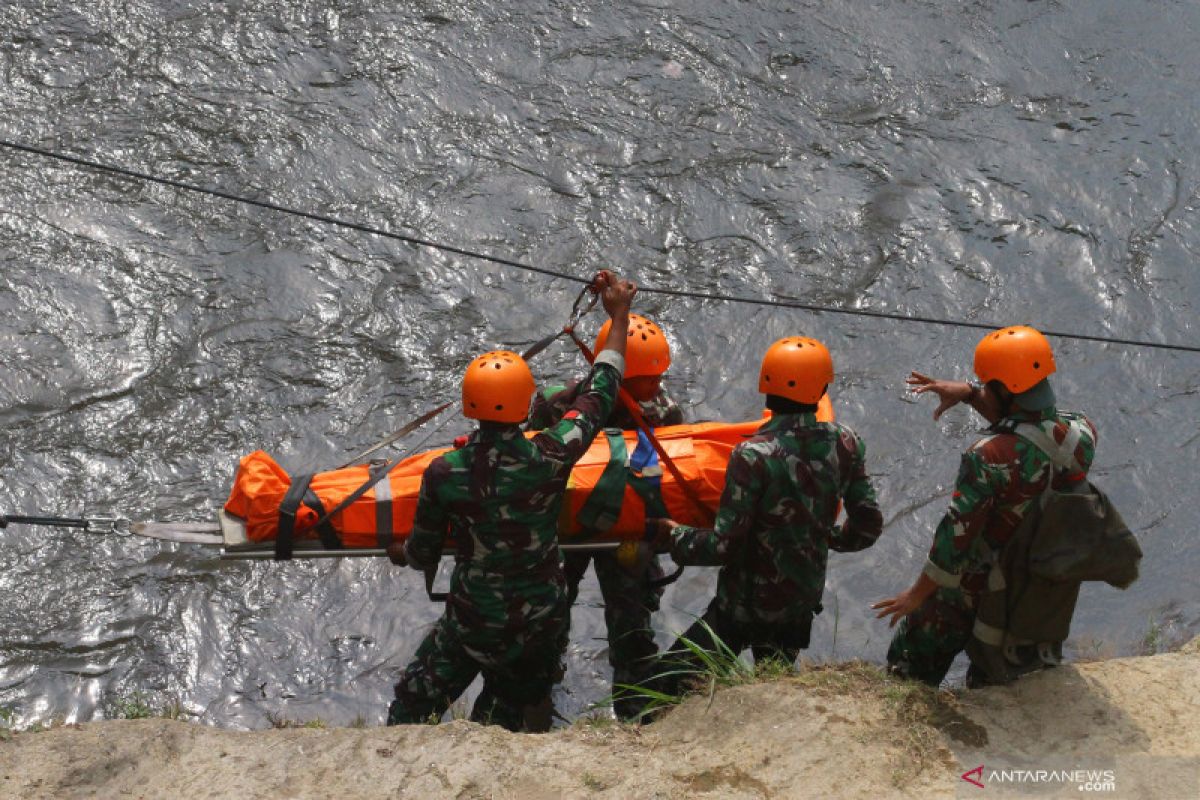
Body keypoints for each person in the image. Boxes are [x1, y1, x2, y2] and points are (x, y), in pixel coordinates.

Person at [385, 270, 637, 731]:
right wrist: (618, 314)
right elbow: (604, 385)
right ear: (527, 405)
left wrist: (401, 553)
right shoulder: (552, 453)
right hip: (539, 623)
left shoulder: (446, 472)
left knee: (410, 708)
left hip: (471, 622)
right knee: (503, 719)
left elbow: (422, 550)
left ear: (469, 405)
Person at [651, 336, 883, 695]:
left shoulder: (753, 455)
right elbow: (868, 526)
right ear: (821, 387)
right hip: (799, 604)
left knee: (666, 685)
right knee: (772, 686)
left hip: (742, 608)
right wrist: (822, 536)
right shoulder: (846, 442)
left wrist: (674, 536)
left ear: (765, 385)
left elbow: (724, 546)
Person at [872, 325, 1097, 686]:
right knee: (998, 674)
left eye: (988, 385)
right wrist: (971, 394)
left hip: (977, 587)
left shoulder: (986, 457)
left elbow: (954, 544)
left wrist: (914, 597)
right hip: (1035, 581)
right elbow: (1030, 435)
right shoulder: (1081, 433)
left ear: (1005, 391)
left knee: (911, 661)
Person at [525, 313, 683, 721]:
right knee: (550, 609)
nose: (659, 386)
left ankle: (636, 711)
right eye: (651, 378)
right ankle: (538, 692)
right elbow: (532, 467)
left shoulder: (664, 413)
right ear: (622, 376)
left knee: (632, 621)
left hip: (629, 530)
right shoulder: (558, 404)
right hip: (568, 528)